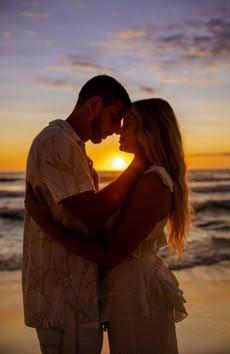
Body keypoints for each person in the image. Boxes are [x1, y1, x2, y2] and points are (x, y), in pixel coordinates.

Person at [25, 98, 192, 354]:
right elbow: (108, 230)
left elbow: (111, 252)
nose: (119, 131)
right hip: (128, 290)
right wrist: (93, 192)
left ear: (149, 131)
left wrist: (45, 224)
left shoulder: (153, 182)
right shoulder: (142, 178)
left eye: (128, 124)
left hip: (138, 294)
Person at [22, 75, 149, 354]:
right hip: (64, 299)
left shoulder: (74, 148)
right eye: (115, 117)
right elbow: (92, 214)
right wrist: (139, 164)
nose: (117, 129)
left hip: (72, 297)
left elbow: (89, 223)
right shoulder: (56, 142)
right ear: (94, 104)